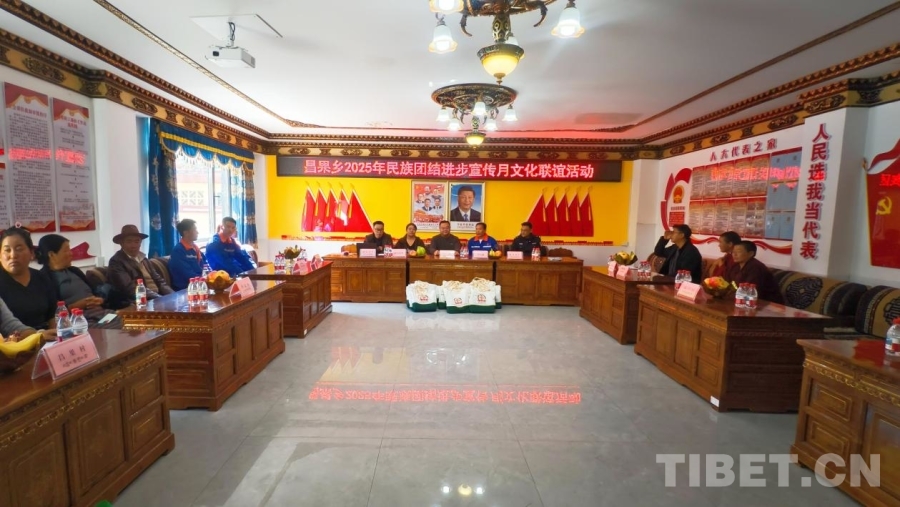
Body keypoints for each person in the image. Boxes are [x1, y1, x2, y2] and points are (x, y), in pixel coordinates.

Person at [36, 234, 122, 328]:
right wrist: (79, 305)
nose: (71, 253)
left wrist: (99, 299)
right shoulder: (44, 278)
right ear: (52, 254)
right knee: (117, 329)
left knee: (129, 321)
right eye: (66, 250)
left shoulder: (74, 271)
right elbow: (52, 312)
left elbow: (94, 293)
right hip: (79, 319)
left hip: (101, 313)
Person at [0, 227, 57, 330]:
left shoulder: (41, 277)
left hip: (47, 335)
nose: (13, 255)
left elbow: (52, 316)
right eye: (7, 250)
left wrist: (56, 337)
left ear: (31, 253)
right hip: (14, 338)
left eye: (19, 249)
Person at [108, 224, 173, 302]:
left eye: (137, 241)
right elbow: (130, 288)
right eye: (129, 241)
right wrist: (159, 299)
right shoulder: (116, 262)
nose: (134, 245)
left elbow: (159, 281)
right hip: (138, 301)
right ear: (122, 243)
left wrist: (173, 296)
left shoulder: (144, 259)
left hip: (157, 298)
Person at [169, 218, 208, 291]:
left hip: (201, 285)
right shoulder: (178, 251)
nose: (197, 232)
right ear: (186, 233)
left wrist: (212, 276)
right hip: (186, 289)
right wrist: (206, 280)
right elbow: (188, 274)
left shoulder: (195, 248)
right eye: (194, 230)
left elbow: (206, 265)